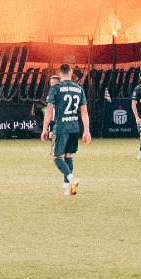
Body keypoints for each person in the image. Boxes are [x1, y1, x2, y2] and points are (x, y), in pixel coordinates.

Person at [41, 63, 90, 195]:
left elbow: (49, 111)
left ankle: (71, 178)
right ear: (71, 72)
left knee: (57, 157)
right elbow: (84, 112)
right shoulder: (79, 89)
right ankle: (67, 190)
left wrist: (45, 129)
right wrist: (87, 130)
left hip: (61, 127)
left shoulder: (56, 88)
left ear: (60, 72)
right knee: (68, 156)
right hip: (74, 127)